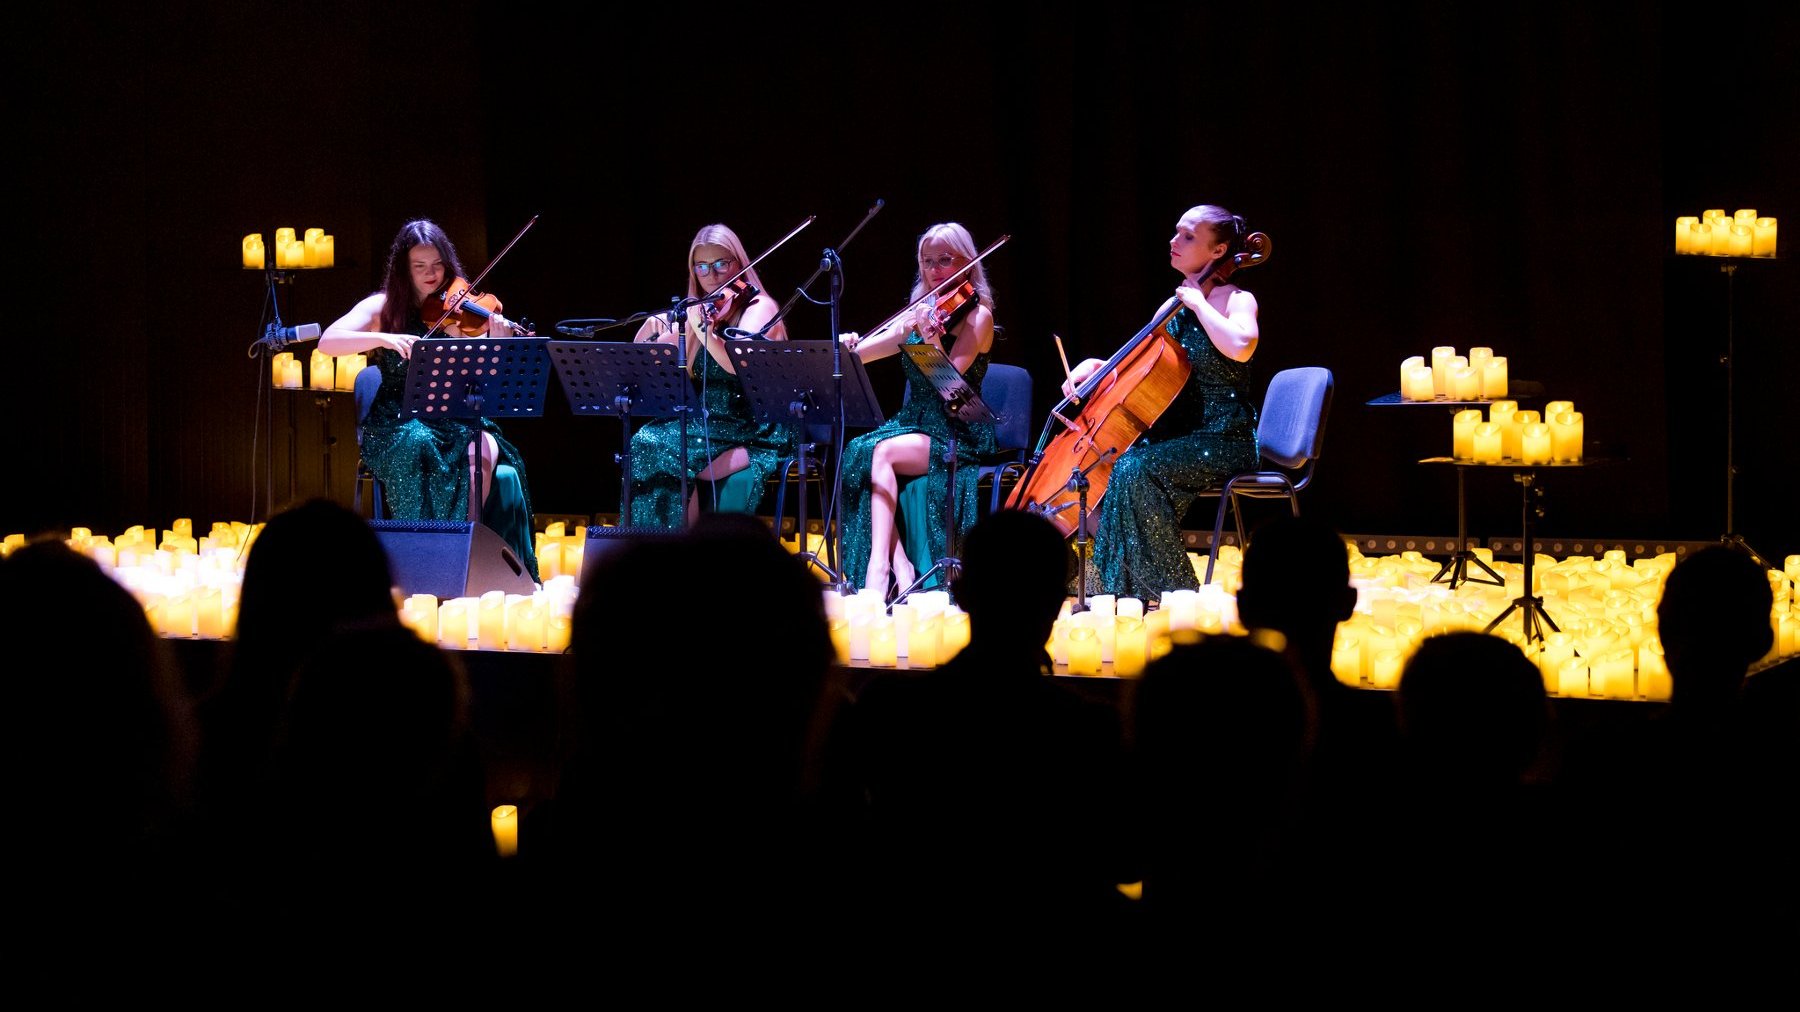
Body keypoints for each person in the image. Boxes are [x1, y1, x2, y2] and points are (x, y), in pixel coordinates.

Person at [320, 218, 539, 582]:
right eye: (420, 266)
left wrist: (493, 341)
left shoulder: (462, 312)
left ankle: (466, 549)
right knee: (418, 441)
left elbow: (482, 376)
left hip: (450, 417)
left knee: (483, 445)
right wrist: (384, 339)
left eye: (438, 265)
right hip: (396, 419)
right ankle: (425, 561)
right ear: (404, 268)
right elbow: (328, 340)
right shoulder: (382, 306)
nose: (431, 274)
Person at [1063, 204, 1259, 601]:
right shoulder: (1170, 308)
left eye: (1188, 236)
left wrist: (1200, 305)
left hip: (1225, 438)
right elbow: (1141, 367)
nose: (1174, 242)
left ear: (1218, 251)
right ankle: (1121, 581)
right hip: (1179, 438)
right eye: (1176, 232)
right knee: (1103, 465)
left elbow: (1242, 346)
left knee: (1136, 468)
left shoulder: (1235, 299)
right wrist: (1096, 367)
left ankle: (1172, 589)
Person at [837, 222, 998, 596]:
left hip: (957, 428)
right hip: (914, 423)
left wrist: (931, 338)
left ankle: (879, 569)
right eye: (928, 261)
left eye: (945, 260)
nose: (935, 270)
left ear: (968, 262)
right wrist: (850, 344)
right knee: (857, 450)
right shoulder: (922, 310)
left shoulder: (978, 317)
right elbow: (863, 354)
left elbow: (949, 387)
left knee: (881, 452)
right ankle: (899, 564)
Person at [625, 223, 791, 529]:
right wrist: (652, 328)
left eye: (720, 265)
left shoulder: (759, 308)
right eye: (702, 267)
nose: (712, 276)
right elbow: (644, 359)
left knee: (663, 448)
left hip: (752, 427)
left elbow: (736, 366)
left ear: (739, 263)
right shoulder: (702, 312)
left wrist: (701, 329)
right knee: (645, 441)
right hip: (707, 424)